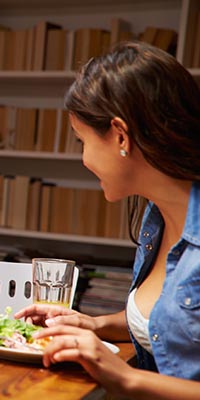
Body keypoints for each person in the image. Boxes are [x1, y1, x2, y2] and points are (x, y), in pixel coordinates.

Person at [13, 41, 200, 399]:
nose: (83, 159)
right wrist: (94, 324)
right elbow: (168, 323)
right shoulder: (155, 218)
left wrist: (127, 378)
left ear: (120, 135)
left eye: (82, 139)